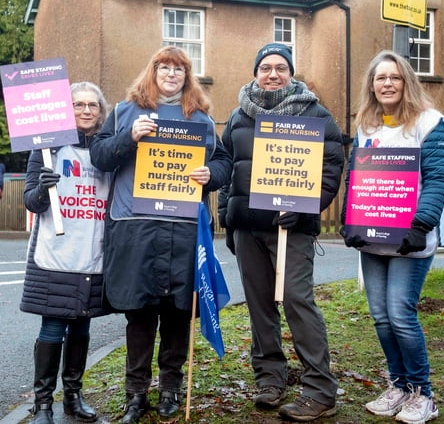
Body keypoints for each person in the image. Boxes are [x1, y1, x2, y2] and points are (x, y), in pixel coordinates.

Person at [89, 46, 232, 423]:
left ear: (188, 76)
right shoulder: (124, 111)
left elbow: (222, 161)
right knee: (139, 314)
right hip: (135, 227)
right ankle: (136, 395)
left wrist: (211, 176)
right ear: (151, 72)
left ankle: (170, 388)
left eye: (179, 69)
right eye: (164, 67)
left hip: (183, 229)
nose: (171, 74)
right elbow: (100, 156)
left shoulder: (200, 118)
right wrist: (128, 139)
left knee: (177, 312)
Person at [218, 43, 343, 421]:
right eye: (266, 67)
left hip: (292, 229)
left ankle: (320, 389)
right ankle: (270, 379)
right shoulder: (238, 116)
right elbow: (226, 167)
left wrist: (306, 206)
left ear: (292, 73)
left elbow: (332, 167)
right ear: (255, 72)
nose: (273, 74)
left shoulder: (314, 113)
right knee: (258, 307)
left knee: (296, 301)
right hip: (248, 229)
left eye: (281, 67)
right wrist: (228, 216)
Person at [339, 50, 444, 424]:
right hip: (372, 237)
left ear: (407, 81)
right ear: (371, 85)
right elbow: (356, 179)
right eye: (380, 78)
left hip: (410, 238)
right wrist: (349, 220)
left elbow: (437, 180)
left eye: (395, 77)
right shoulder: (367, 126)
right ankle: (399, 386)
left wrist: (421, 225)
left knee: (401, 315)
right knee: (380, 317)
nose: (387, 84)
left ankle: (423, 394)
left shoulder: (431, 123)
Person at [21, 82, 111, 424]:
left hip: (93, 251)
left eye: (92, 105)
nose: (86, 111)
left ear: (101, 112)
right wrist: (42, 190)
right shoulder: (47, 149)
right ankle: (43, 404)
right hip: (56, 252)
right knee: (53, 327)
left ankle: (73, 397)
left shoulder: (106, 150)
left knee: (82, 327)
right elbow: (30, 200)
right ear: (65, 110)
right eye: (78, 105)